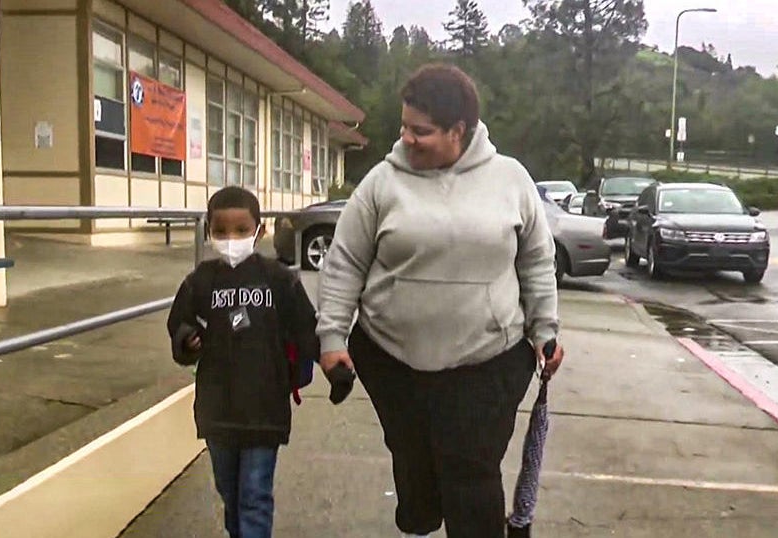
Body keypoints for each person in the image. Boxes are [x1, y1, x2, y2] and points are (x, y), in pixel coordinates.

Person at [316, 64, 565, 538]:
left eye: (421, 130)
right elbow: (344, 262)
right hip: (393, 362)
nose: (406, 138)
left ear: (459, 130)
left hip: (487, 362)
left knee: (472, 470)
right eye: (404, 126)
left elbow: (536, 261)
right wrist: (332, 337)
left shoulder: (510, 179)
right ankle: (420, 515)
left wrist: (545, 330)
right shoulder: (381, 183)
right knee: (415, 465)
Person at [166, 186, 318, 538]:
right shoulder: (200, 282)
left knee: (254, 495)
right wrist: (187, 340)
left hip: (265, 408)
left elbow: (305, 327)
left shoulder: (279, 279)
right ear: (208, 232)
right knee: (229, 492)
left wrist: (325, 364)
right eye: (221, 231)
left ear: (259, 231)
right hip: (217, 410)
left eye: (241, 230)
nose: (231, 239)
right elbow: (179, 324)